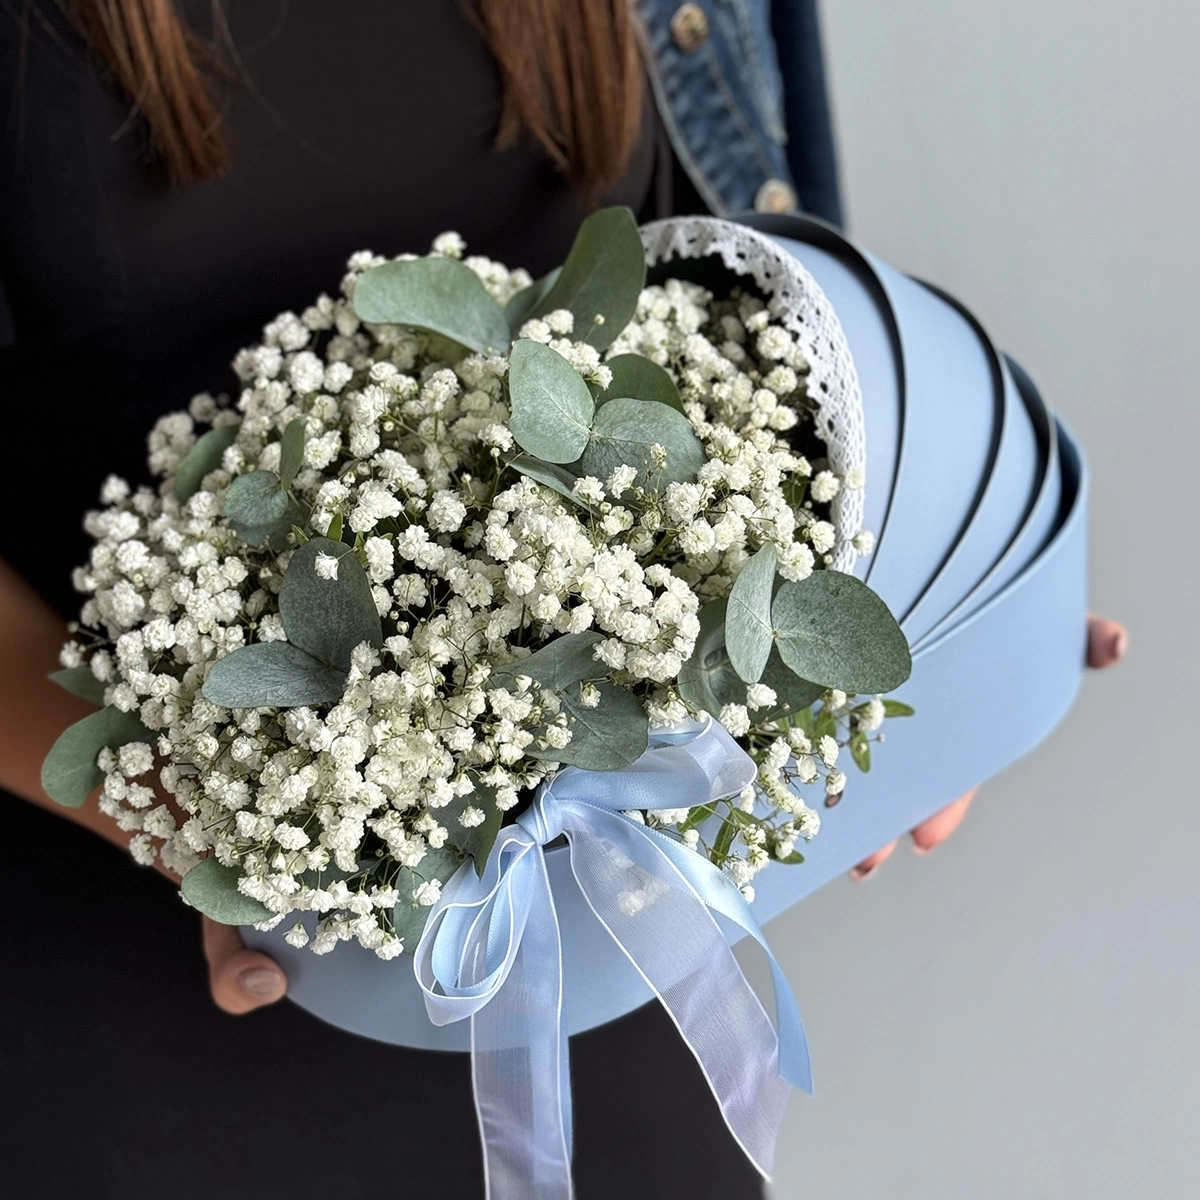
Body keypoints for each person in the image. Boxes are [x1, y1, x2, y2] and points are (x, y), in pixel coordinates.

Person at [0, 3, 1125, 1196]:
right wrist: (218, 824)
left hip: (599, 932)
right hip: (149, 935)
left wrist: (959, 589)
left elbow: (763, 295)